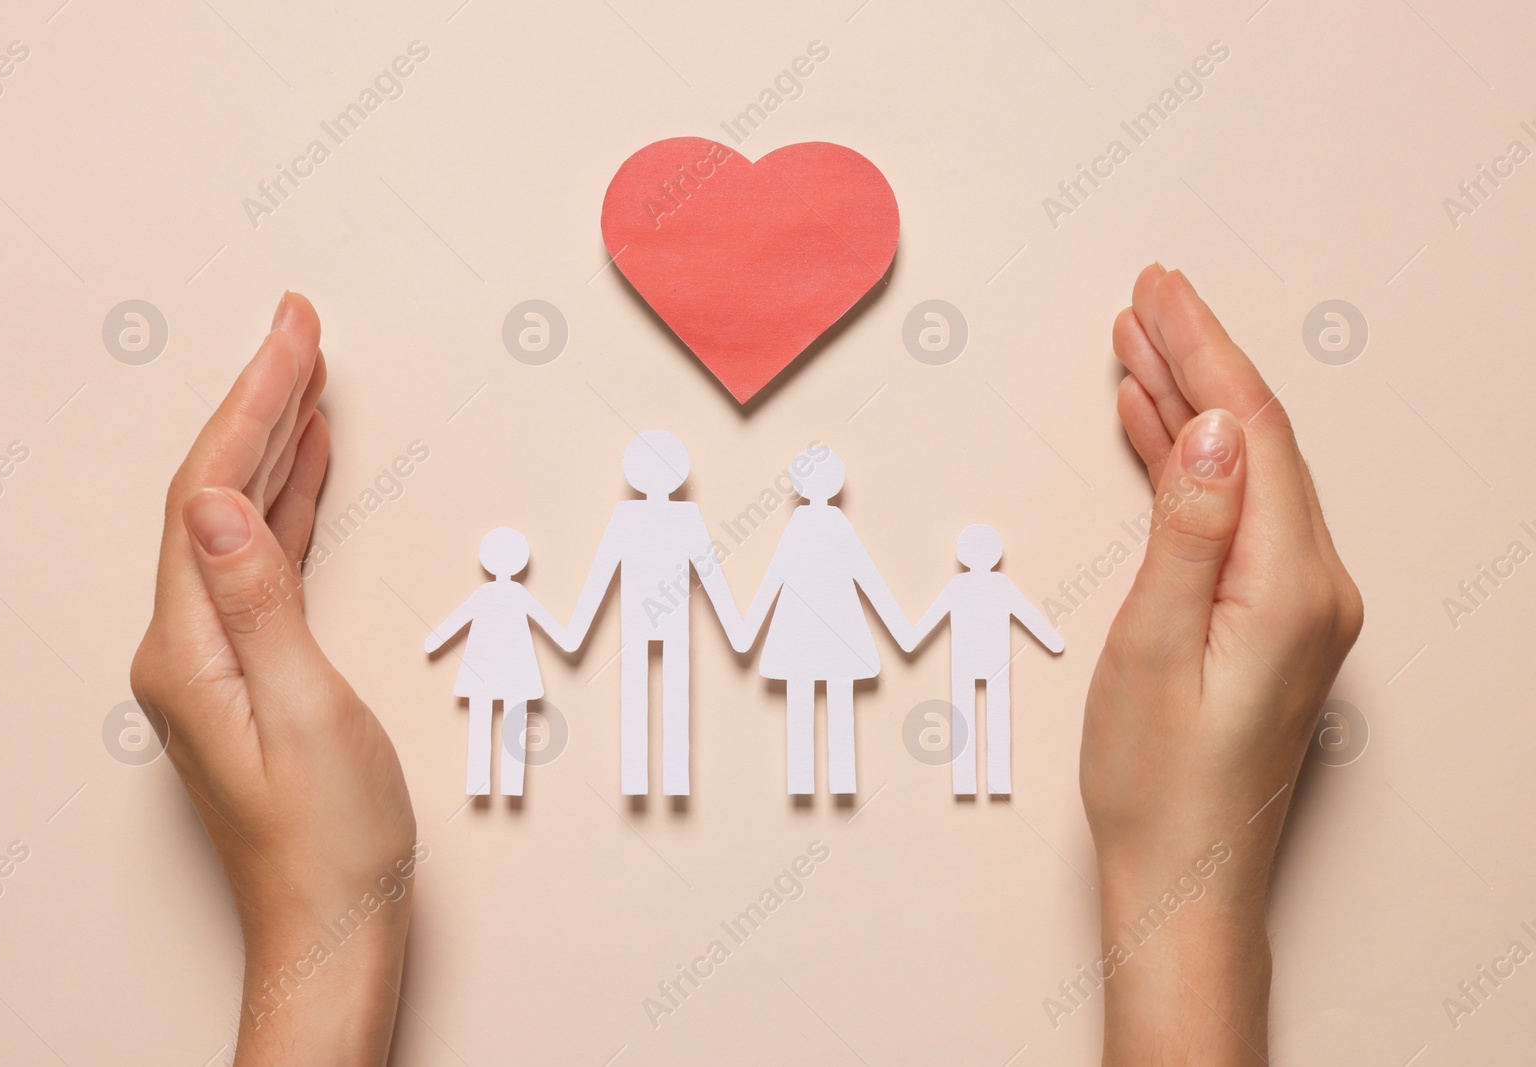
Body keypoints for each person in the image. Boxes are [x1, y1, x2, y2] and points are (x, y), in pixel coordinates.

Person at [129, 266, 1361, 1064]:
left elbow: (747, 579)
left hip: (767, 640)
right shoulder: (651, 521)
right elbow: (654, 582)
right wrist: (1187, 891)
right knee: (666, 714)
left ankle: (717, 752)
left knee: (705, 713)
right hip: (704, 644)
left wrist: (320, 932)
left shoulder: (711, 522)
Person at [566, 430, 745, 796]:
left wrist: (576, 630)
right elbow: (709, 574)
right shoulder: (673, 515)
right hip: (659, 620)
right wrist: (736, 629)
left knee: (645, 694)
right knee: (666, 694)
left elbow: (706, 569)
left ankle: (653, 779)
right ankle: (661, 779)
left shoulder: (642, 515)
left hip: (653, 619)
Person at [734, 446, 914, 794]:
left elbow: (775, 577)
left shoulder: (804, 525)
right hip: (834, 631)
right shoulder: (830, 524)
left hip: (801, 632)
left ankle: (809, 782)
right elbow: (867, 578)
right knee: (837, 698)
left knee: (803, 699)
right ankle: (834, 780)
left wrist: (747, 629)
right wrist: (903, 630)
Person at [908, 522, 1063, 795]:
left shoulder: (961, 585)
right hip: (993, 662)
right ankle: (994, 781)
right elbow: (1029, 615)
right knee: (997, 720)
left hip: (971, 663)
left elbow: (930, 619)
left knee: (968, 721)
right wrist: (1052, 641)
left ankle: (968, 782)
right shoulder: (997, 584)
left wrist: (911, 638)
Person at [424, 527, 578, 796]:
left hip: (484, 669)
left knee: (482, 726)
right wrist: (567, 640)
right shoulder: (517, 593)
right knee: (512, 727)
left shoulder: (488, 593)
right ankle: (508, 785)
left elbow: (458, 618)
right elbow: (548, 623)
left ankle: (481, 783)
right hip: (514, 671)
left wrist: (435, 640)